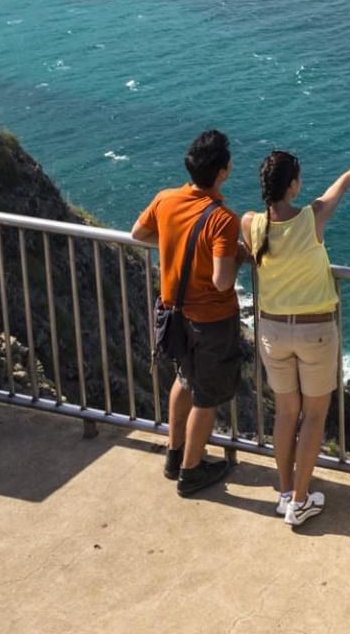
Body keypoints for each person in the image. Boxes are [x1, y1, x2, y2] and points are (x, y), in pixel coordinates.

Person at [243, 144, 350, 528]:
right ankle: (301, 501)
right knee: (314, 415)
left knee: (286, 413)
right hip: (315, 332)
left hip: (271, 330)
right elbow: (341, 186)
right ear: (293, 186)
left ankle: (286, 492)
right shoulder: (311, 217)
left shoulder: (250, 223)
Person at [132, 129, 246, 497]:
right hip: (211, 321)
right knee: (207, 397)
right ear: (223, 171)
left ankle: (174, 454)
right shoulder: (222, 219)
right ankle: (191, 471)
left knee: (183, 380)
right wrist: (243, 254)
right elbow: (223, 280)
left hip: (173, 313)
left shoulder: (166, 200)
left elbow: (138, 233)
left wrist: (172, 247)